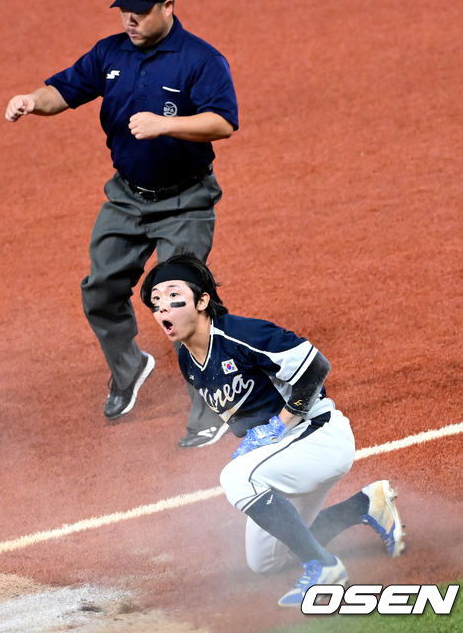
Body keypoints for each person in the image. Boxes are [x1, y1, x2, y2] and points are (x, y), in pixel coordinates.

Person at [5, 0, 238, 447]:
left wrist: (166, 125)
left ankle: (214, 398)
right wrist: (31, 100)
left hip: (186, 200)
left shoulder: (200, 60)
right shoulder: (110, 52)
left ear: (168, 7)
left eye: (140, 12)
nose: (130, 20)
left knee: (183, 296)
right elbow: (63, 92)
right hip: (127, 195)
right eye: (125, 11)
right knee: (101, 289)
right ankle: (129, 368)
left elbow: (223, 123)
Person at [140, 253, 405, 607]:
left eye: (172, 298)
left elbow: (315, 366)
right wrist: (254, 442)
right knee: (266, 562)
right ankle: (366, 505)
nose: (162, 311)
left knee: (235, 477)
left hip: (319, 436)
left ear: (202, 300)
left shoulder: (242, 334)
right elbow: (243, 413)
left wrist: (280, 424)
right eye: (155, 304)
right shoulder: (189, 360)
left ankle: (325, 568)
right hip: (287, 453)